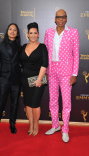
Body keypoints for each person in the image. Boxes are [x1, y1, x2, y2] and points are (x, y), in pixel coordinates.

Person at [44, 9, 79, 142]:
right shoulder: (48, 32)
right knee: (52, 101)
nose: (60, 19)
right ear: (55, 19)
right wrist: (46, 70)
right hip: (52, 72)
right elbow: (46, 53)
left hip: (66, 73)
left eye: (63, 17)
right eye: (58, 17)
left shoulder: (73, 32)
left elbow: (76, 54)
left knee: (66, 103)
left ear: (66, 18)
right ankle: (55, 125)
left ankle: (65, 130)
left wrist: (74, 74)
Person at [0, 23, 21, 138]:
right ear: (7, 31)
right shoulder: (0, 46)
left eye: (15, 30)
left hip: (16, 81)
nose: (12, 31)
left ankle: (12, 124)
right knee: (0, 105)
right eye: (10, 29)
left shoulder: (20, 47)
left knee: (14, 104)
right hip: (4, 80)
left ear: (17, 33)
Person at [21, 22, 48, 136]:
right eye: (30, 33)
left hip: (38, 79)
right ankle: (30, 125)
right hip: (25, 79)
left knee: (35, 103)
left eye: (35, 33)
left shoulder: (42, 47)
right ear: (27, 34)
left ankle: (36, 125)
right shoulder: (23, 47)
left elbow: (44, 63)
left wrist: (39, 79)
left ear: (38, 34)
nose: (32, 35)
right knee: (28, 103)